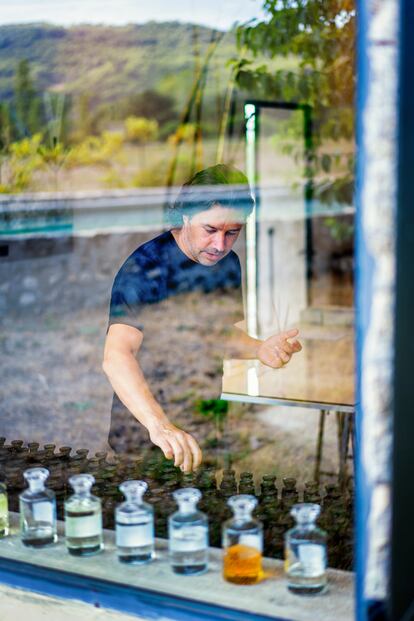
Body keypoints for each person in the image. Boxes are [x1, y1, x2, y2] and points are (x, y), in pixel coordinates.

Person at [103, 164, 302, 472]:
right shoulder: (145, 267)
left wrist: (259, 349)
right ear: (185, 216)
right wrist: (160, 426)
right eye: (210, 230)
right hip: (146, 435)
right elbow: (116, 356)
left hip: (203, 422)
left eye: (232, 233)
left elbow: (217, 335)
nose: (220, 245)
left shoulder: (227, 264)